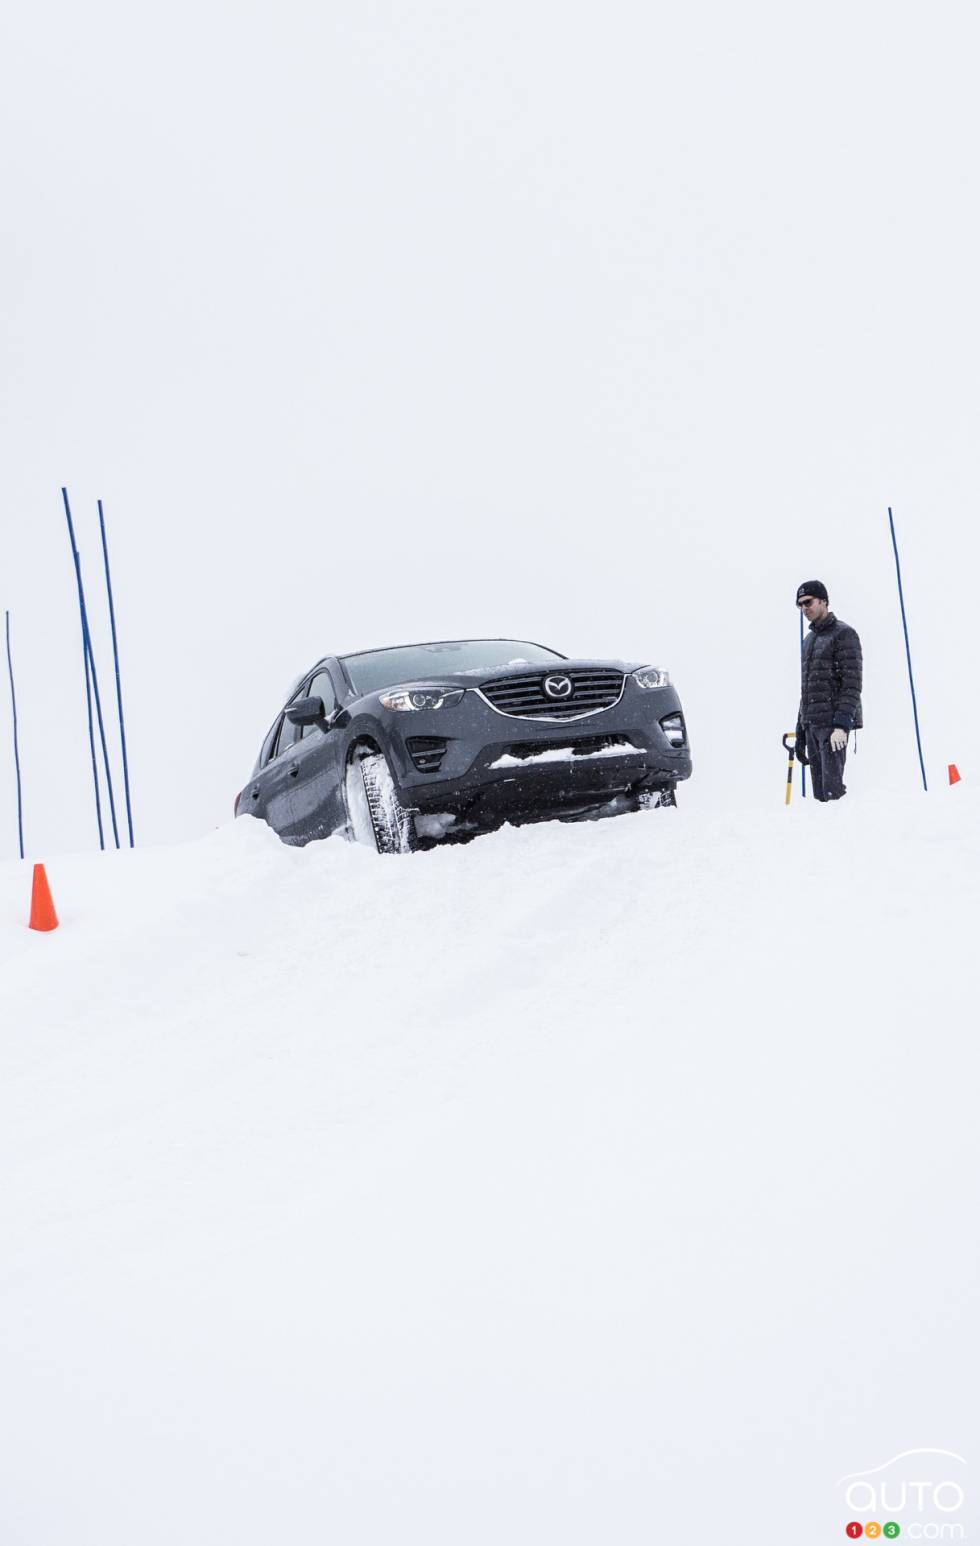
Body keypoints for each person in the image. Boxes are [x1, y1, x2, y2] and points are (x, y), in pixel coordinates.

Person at [794, 581, 863, 802]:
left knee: (834, 794)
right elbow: (806, 688)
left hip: (833, 726)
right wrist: (801, 731)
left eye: (808, 602)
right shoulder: (809, 640)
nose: (804, 608)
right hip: (812, 724)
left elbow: (852, 683)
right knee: (820, 798)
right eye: (800, 605)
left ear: (823, 601)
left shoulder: (844, 634)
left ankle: (845, 834)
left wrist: (842, 724)